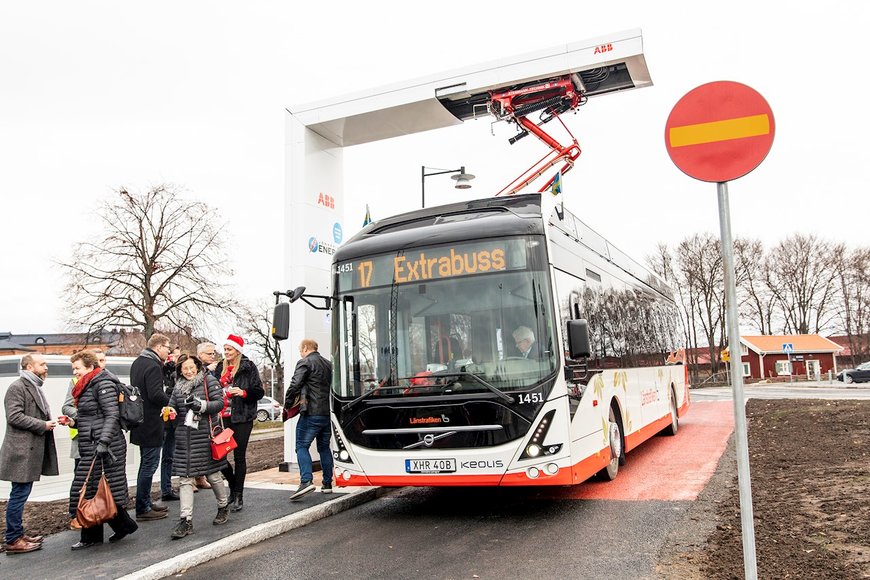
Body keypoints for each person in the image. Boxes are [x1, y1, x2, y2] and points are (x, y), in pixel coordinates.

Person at [67, 350, 138, 549]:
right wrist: (73, 421)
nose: (75, 372)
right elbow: (93, 417)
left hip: (106, 445)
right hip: (94, 443)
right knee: (94, 488)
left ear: (90, 367)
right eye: (73, 369)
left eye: (77, 368)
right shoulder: (88, 384)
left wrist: (104, 442)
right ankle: (119, 527)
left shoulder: (102, 383)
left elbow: (111, 415)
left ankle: (93, 535)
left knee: (93, 488)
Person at [165, 354, 230, 538]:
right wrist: (169, 411)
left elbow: (219, 403)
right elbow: (173, 407)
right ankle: (186, 520)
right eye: (184, 369)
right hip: (184, 439)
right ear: (179, 370)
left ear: (198, 366)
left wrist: (201, 405)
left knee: (213, 475)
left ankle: (223, 506)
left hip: (204, 437)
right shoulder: (178, 386)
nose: (188, 371)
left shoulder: (208, 381)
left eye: (191, 368)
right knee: (185, 479)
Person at [0, 353, 58, 554]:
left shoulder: (33, 386)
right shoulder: (17, 387)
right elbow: (14, 416)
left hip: (28, 451)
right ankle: (13, 539)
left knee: (21, 494)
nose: (46, 367)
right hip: (20, 452)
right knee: (18, 495)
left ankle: (18, 534)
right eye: (42, 364)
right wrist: (43, 425)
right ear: (29, 367)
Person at [215, 334, 264, 512]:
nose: (226, 352)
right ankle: (234, 484)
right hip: (223, 417)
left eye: (229, 349)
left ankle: (238, 495)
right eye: (225, 349)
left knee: (239, 456)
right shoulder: (220, 367)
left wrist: (243, 393)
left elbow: (259, 391)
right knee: (219, 456)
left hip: (242, 417)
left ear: (237, 351)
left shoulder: (248, 367)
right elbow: (212, 388)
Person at [129, 333, 171, 521]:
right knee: (149, 465)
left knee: (145, 464)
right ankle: (143, 508)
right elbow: (155, 394)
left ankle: (144, 502)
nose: (168, 351)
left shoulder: (138, 363)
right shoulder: (153, 365)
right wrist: (171, 402)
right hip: (151, 423)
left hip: (139, 422)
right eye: (167, 348)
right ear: (159, 347)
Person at [286, 338, 334, 500]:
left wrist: (287, 403)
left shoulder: (305, 362)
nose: (300, 353)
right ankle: (327, 483)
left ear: (306, 348)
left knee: (301, 445)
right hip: (327, 413)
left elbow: (295, 384)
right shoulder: (328, 364)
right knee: (324, 448)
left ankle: (306, 481)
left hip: (311, 412)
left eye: (300, 349)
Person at [62, 350, 107, 474]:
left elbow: (111, 414)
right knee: (82, 475)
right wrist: (80, 418)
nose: (101, 364)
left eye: (103, 360)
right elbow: (66, 407)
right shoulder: (76, 382)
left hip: (100, 438)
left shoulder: (107, 383)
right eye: (98, 361)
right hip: (81, 437)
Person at [160, 345, 180, 501]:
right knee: (167, 455)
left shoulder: (180, 374)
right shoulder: (163, 372)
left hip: (178, 419)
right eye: (174, 356)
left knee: (173, 454)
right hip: (167, 420)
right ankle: (166, 488)